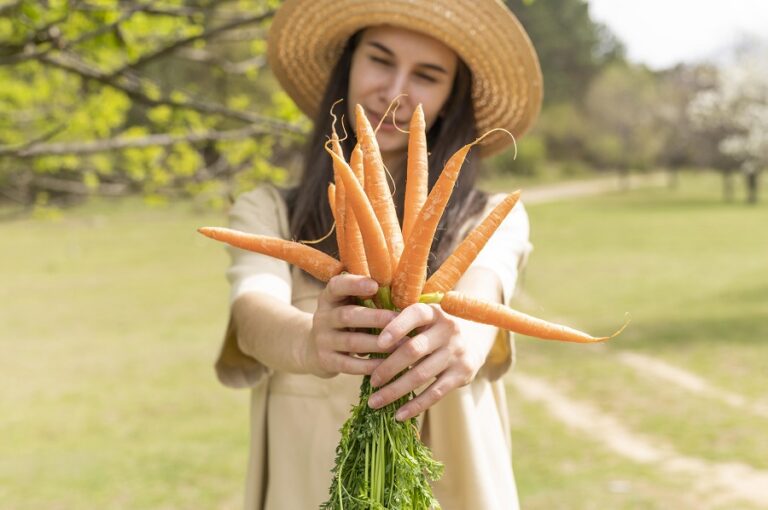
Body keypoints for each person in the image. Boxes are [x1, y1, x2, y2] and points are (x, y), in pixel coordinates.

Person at [214, 0, 542, 508]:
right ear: (348, 65)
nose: (394, 92)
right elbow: (252, 308)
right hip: (309, 480)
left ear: (452, 98)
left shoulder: (491, 215)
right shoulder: (269, 211)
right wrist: (308, 340)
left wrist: (463, 338)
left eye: (428, 76)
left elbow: (482, 291)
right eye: (381, 60)